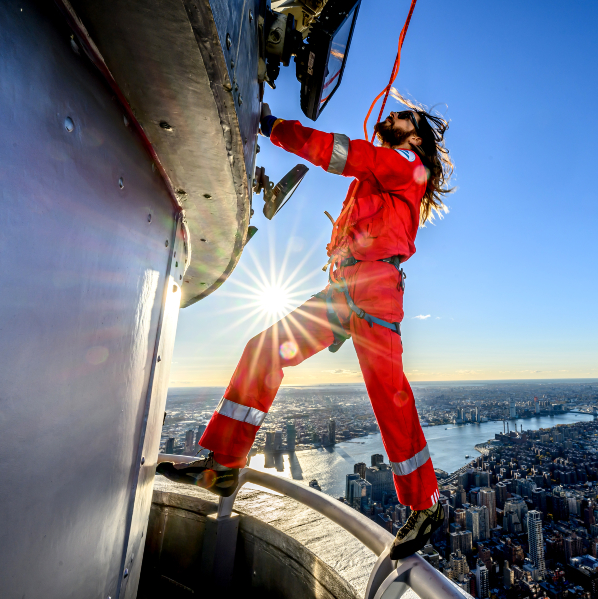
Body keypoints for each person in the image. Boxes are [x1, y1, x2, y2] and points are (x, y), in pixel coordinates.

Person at [158, 98, 453, 559]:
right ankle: (225, 464)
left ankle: (425, 504)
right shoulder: (381, 177)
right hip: (346, 289)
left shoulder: (404, 164)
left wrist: (273, 126)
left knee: (388, 393)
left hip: (374, 291)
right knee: (266, 347)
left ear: (414, 138)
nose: (393, 117)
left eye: (404, 117)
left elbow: (339, 152)